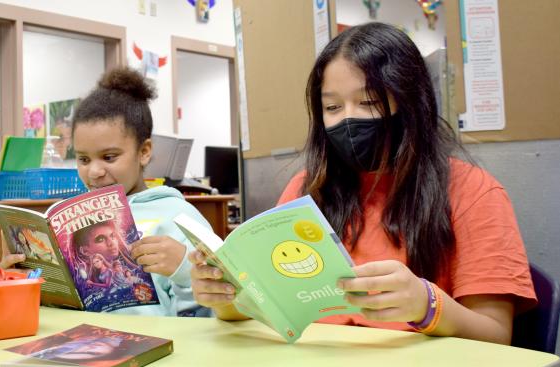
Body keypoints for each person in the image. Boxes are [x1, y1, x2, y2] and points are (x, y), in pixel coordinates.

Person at [189, 22, 536, 344]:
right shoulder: (306, 189)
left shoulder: (472, 191)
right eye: (333, 107)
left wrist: (428, 306)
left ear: (411, 103)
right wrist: (226, 298)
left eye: (368, 102)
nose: (348, 118)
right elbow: (271, 306)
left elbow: (495, 335)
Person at [1, 67, 213, 317]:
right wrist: (16, 283)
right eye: (83, 159)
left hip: (156, 347)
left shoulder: (178, 217)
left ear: (144, 152)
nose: (94, 172)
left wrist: (184, 271)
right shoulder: (63, 219)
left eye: (109, 157)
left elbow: (213, 314)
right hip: (77, 345)